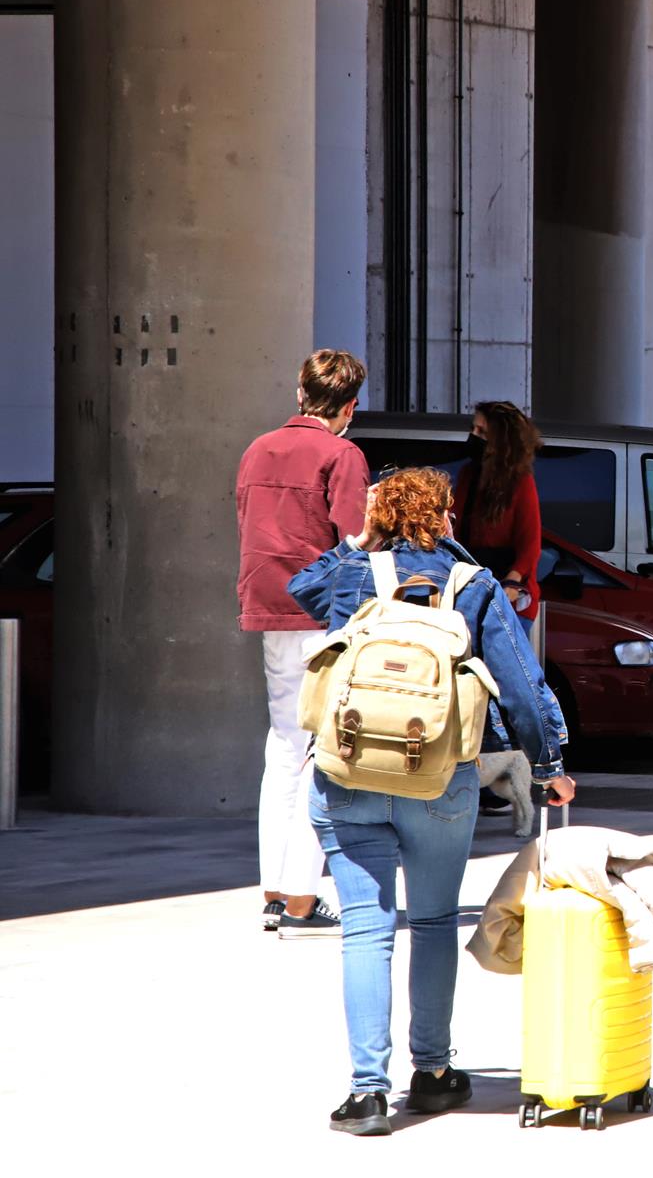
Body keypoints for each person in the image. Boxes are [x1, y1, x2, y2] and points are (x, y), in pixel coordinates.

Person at [290, 468, 575, 1136]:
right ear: (445, 516)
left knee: (367, 926)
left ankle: (366, 1092)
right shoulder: (470, 584)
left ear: (379, 515)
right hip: (441, 779)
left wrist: (355, 542)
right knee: (437, 918)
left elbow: (297, 589)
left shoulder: (354, 571)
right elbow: (523, 687)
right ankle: (433, 1071)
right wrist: (549, 766)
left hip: (351, 773)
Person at [235, 349, 372, 937]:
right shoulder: (343, 453)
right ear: (348, 407)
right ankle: (299, 898)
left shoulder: (257, 449)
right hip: (322, 615)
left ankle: (275, 890)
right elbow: (357, 540)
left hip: (267, 607)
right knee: (321, 751)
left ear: (299, 394)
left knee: (284, 747)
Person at [452, 400, 543, 622]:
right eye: (473, 428)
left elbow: (530, 545)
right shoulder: (468, 475)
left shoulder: (520, 481)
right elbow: (455, 529)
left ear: (499, 441)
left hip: (507, 595)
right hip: (472, 589)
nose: (473, 435)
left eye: (481, 431)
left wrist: (511, 583)